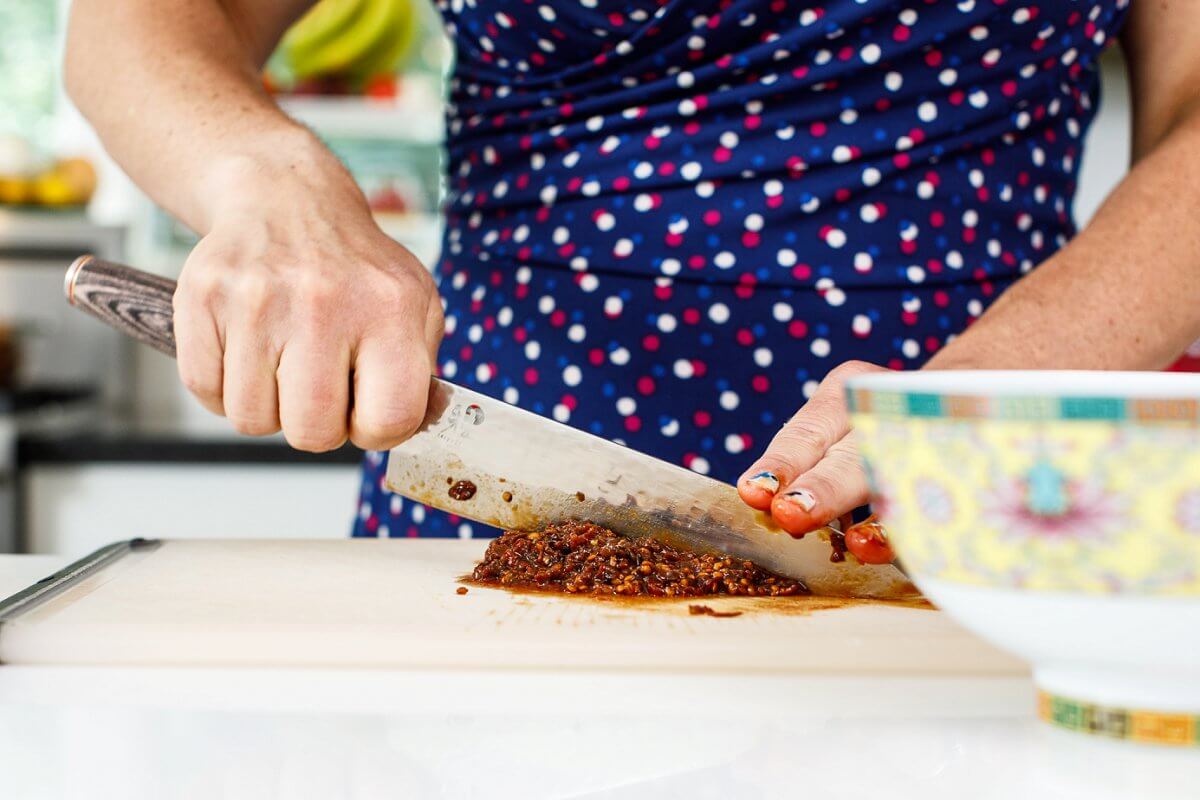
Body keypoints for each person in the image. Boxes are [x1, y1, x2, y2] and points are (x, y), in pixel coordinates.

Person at [66, 1, 1200, 558]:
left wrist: (998, 377)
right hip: (505, 495)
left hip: (982, 493)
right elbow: (135, 23)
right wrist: (274, 186)